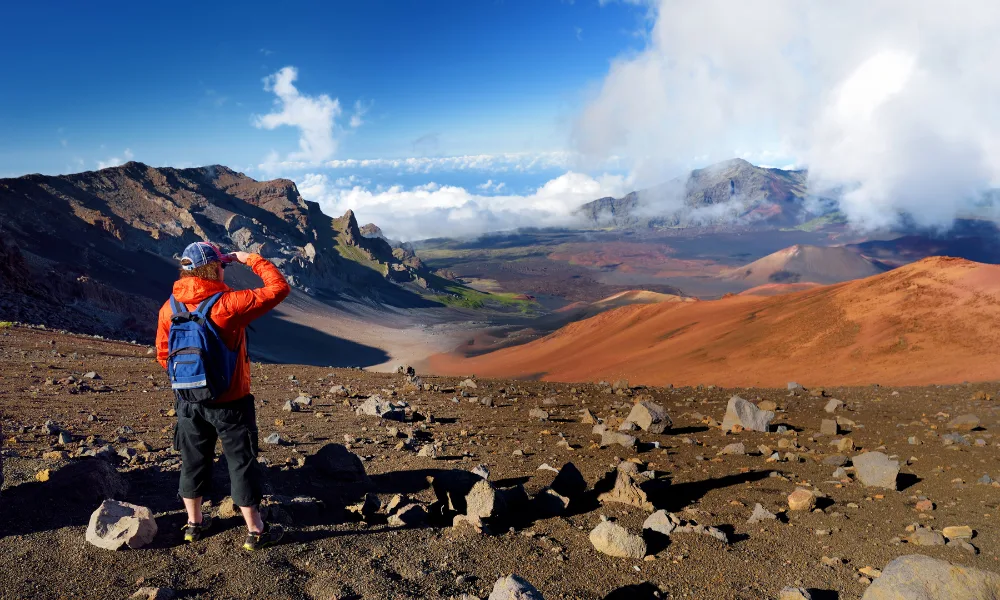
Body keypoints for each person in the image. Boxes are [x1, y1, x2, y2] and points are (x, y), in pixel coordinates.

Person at [155, 241, 290, 551]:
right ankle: (255, 530)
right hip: (231, 401)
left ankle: (194, 525)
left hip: (189, 400)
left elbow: (164, 354)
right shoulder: (228, 304)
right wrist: (248, 259)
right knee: (240, 463)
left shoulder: (169, 307)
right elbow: (278, 288)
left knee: (192, 460)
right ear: (215, 267)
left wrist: (193, 378)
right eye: (222, 265)